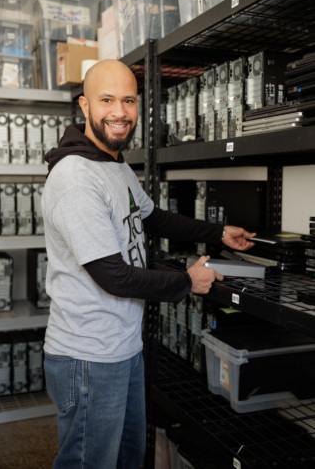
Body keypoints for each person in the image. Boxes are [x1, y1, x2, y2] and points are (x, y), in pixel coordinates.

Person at [41, 59, 255, 469]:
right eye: (107, 100)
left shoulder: (114, 165)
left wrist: (218, 233)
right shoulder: (75, 178)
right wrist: (186, 282)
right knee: (88, 463)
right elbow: (112, 276)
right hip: (88, 355)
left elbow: (152, 216)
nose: (119, 112)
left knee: (126, 457)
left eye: (128, 100)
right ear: (85, 106)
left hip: (121, 346)